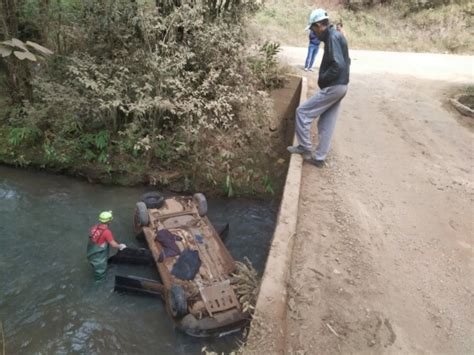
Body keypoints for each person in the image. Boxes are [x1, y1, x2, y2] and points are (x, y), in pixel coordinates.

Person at [287, 8, 350, 167]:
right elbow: (347, 61)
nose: (313, 33)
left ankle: (305, 147)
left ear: (319, 26)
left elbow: (339, 65)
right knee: (326, 122)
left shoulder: (333, 38)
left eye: (313, 29)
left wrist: (323, 79)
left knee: (302, 112)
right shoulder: (336, 36)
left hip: (334, 86)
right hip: (342, 86)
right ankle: (320, 158)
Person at [86, 211, 127, 280]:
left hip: (91, 254)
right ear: (109, 221)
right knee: (100, 274)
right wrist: (120, 246)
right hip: (99, 258)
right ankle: (97, 284)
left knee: (95, 266)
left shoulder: (94, 228)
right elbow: (113, 244)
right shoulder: (107, 232)